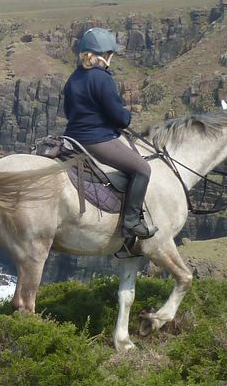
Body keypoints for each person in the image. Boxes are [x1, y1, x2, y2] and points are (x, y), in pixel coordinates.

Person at [61, 27, 157, 240]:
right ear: (105, 55)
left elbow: (68, 111)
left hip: (72, 137)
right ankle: (131, 222)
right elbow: (118, 118)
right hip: (96, 139)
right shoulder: (102, 78)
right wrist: (126, 117)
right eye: (111, 53)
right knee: (142, 168)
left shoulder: (74, 78)